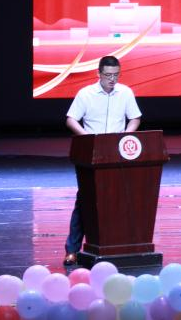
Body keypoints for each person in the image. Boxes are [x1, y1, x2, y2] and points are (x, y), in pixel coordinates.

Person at [63, 55, 142, 267]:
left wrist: (127, 134)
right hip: (91, 153)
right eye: (108, 75)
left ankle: (119, 246)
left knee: (118, 200)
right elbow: (71, 119)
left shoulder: (125, 93)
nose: (112, 80)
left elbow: (135, 118)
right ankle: (72, 250)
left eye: (116, 75)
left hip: (117, 153)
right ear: (98, 74)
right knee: (85, 201)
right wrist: (87, 137)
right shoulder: (86, 94)